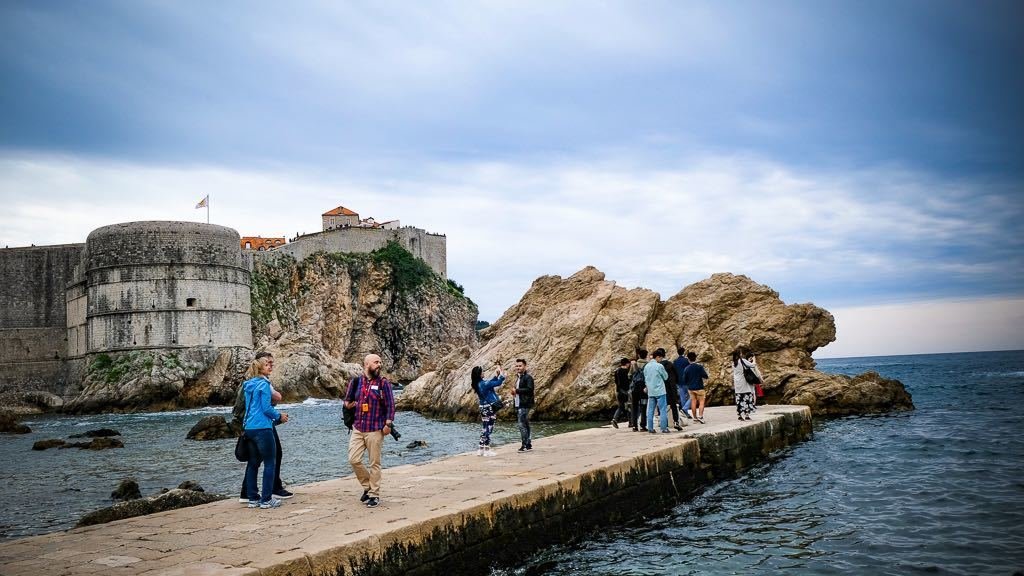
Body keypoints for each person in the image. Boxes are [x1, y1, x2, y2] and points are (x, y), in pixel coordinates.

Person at [233, 356, 292, 503]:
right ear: (260, 368)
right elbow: (266, 408)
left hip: (249, 427)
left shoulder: (248, 384)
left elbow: (249, 407)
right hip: (262, 427)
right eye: (267, 365)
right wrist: (279, 416)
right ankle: (267, 500)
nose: (270, 367)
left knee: (253, 462)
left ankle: (252, 498)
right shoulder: (264, 385)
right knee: (270, 462)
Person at [344, 353, 395, 508]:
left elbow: (390, 405)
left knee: (374, 463)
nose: (379, 364)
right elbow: (346, 401)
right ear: (367, 364)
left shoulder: (383, 383)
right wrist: (351, 405)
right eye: (376, 362)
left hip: (375, 429)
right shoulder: (356, 382)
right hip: (358, 427)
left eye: (380, 362)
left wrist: (388, 424)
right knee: (353, 459)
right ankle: (368, 487)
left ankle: (374, 494)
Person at [471, 363, 505, 456]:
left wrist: (496, 376)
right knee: (489, 428)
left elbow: (490, 383)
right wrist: (501, 374)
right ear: (479, 374)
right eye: (482, 372)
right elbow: (499, 382)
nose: (483, 373)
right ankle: (487, 450)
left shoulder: (478, 384)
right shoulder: (484, 384)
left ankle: (481, 449)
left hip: (483, 408)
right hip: (490, 408)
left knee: (484, 427)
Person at [643, 348, 670, 433]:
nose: (661, 360)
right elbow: (665, 377)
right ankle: (664, 428)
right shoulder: (659, 366)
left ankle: (650, 428)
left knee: (650, 410)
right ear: (658, 357)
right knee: (662, 410)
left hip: (651, 392)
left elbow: (645, 378)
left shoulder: (646, 366)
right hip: (660, 391)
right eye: (661, 358)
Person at [513, 359, 535, 452]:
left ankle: (524, 445)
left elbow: (530, 389)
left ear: (525, 366)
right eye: (517, 366)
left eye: (520, 366)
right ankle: (528, 444)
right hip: (519, 403)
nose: (518, 367)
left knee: (521, 424)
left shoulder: (528, 377)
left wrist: (517, 391)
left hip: (525, 404)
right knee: (525, 424)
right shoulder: (518, 378)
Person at [733, 349, 762, 420]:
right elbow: (752, 365)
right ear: (739, 354)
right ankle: (746, 415)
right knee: (746, 398)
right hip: (744, 383)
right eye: (741, 353)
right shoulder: (742, 360)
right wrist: (754, 359)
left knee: (739, 399)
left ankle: (739, 415)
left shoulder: (733, 363)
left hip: (737, 384)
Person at [659, 353, 685, 430]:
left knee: (663, 407)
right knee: (674, 406)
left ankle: (664, 424)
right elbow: (676, 375)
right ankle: (676, 422)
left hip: (663, 388)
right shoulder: (670, 364)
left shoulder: (659, 366)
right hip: (672, 388)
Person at [682, 351, 709, 424]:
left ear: (688, 359)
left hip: (691, 388)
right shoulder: (699, 367)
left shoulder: (687, 368)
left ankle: (695, 418)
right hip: (699, 387)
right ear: (695, 358)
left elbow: (684, 380)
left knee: (693, 402)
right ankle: (700, 416)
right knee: (701, 402)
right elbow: (705, 376)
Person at [628, 348, 649, 431]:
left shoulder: (634, 365)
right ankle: (643, 425)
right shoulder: (648, 365)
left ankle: (634, 426)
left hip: (635, 389)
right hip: (644, 389)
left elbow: (629, 375)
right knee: (643, 407)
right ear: (646, 356)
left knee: (634, 407)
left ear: (639, 355)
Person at [611, 358, 631, 428]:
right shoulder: (626, 371)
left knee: (620, 407)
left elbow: (616, 382)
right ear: (627, 363)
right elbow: (627, 382)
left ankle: (615, 419)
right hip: (625, 391)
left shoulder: (617, 371)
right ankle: (631, 422)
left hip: (618, 391)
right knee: (629, 406)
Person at [673, 347, 692, 419]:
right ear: (684, 352)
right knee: (692, 396)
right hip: (686, 381)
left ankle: (685, 413)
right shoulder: (686, 361)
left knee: (682, 397)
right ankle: (685, 409)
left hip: (678, 381)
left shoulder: (675, 361)